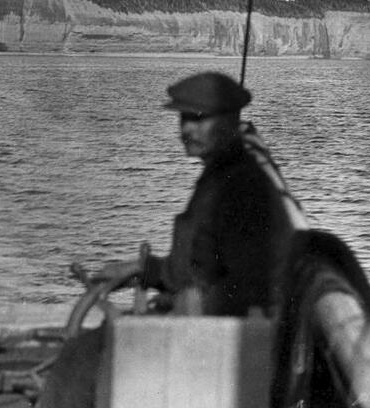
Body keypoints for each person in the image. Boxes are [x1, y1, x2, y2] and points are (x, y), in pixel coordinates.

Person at [39, 71, 293, 407]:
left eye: (199, 119)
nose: (187, 128)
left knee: (79, 360)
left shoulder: (242, 189)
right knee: (83, 353)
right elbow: (194, 265)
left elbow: (252, 282)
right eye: (184, 118)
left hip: (217, 343)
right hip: (201, 329)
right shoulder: (218, 176)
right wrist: (141, 269)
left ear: (231, 122)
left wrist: (194, 305)